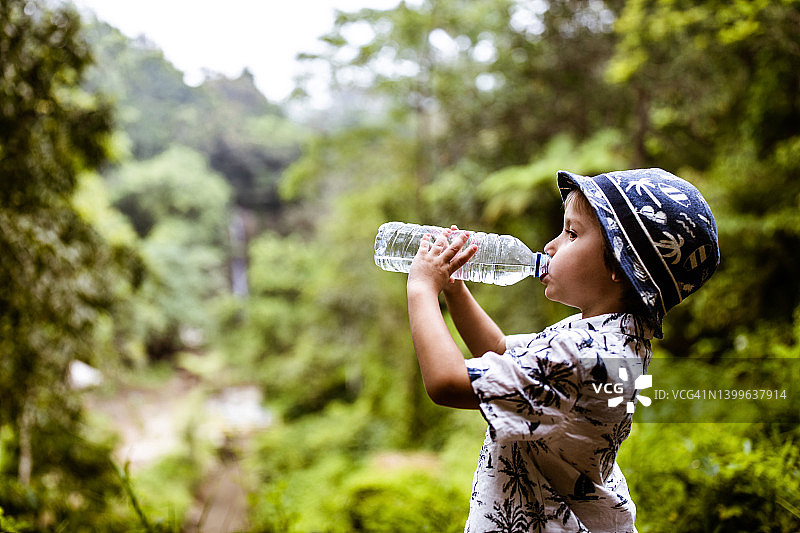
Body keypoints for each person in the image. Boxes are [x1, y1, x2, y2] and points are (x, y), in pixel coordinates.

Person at [406, 168, 720, 532]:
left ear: (621, 265)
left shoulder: (589, 356)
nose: (550, 246)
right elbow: (497, 349)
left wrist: (421, 288)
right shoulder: (605, 337)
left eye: (571, 233)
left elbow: (446, 382)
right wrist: (455, 289)